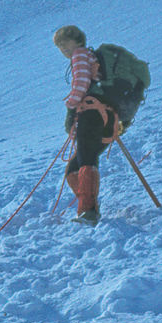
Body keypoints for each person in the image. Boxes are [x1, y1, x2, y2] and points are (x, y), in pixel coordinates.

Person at [54, 25, 116, 225]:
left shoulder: (80, 55)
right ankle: (89, 208)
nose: (64, 50)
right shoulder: (88, 55)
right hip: (100, 112)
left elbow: (81, 83)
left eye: (66, 44)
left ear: (78, 41)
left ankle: (88, 211)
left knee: (85, 158)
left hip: (90, 112)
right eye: (61, 47)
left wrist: (70, 106)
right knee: (76, 165)